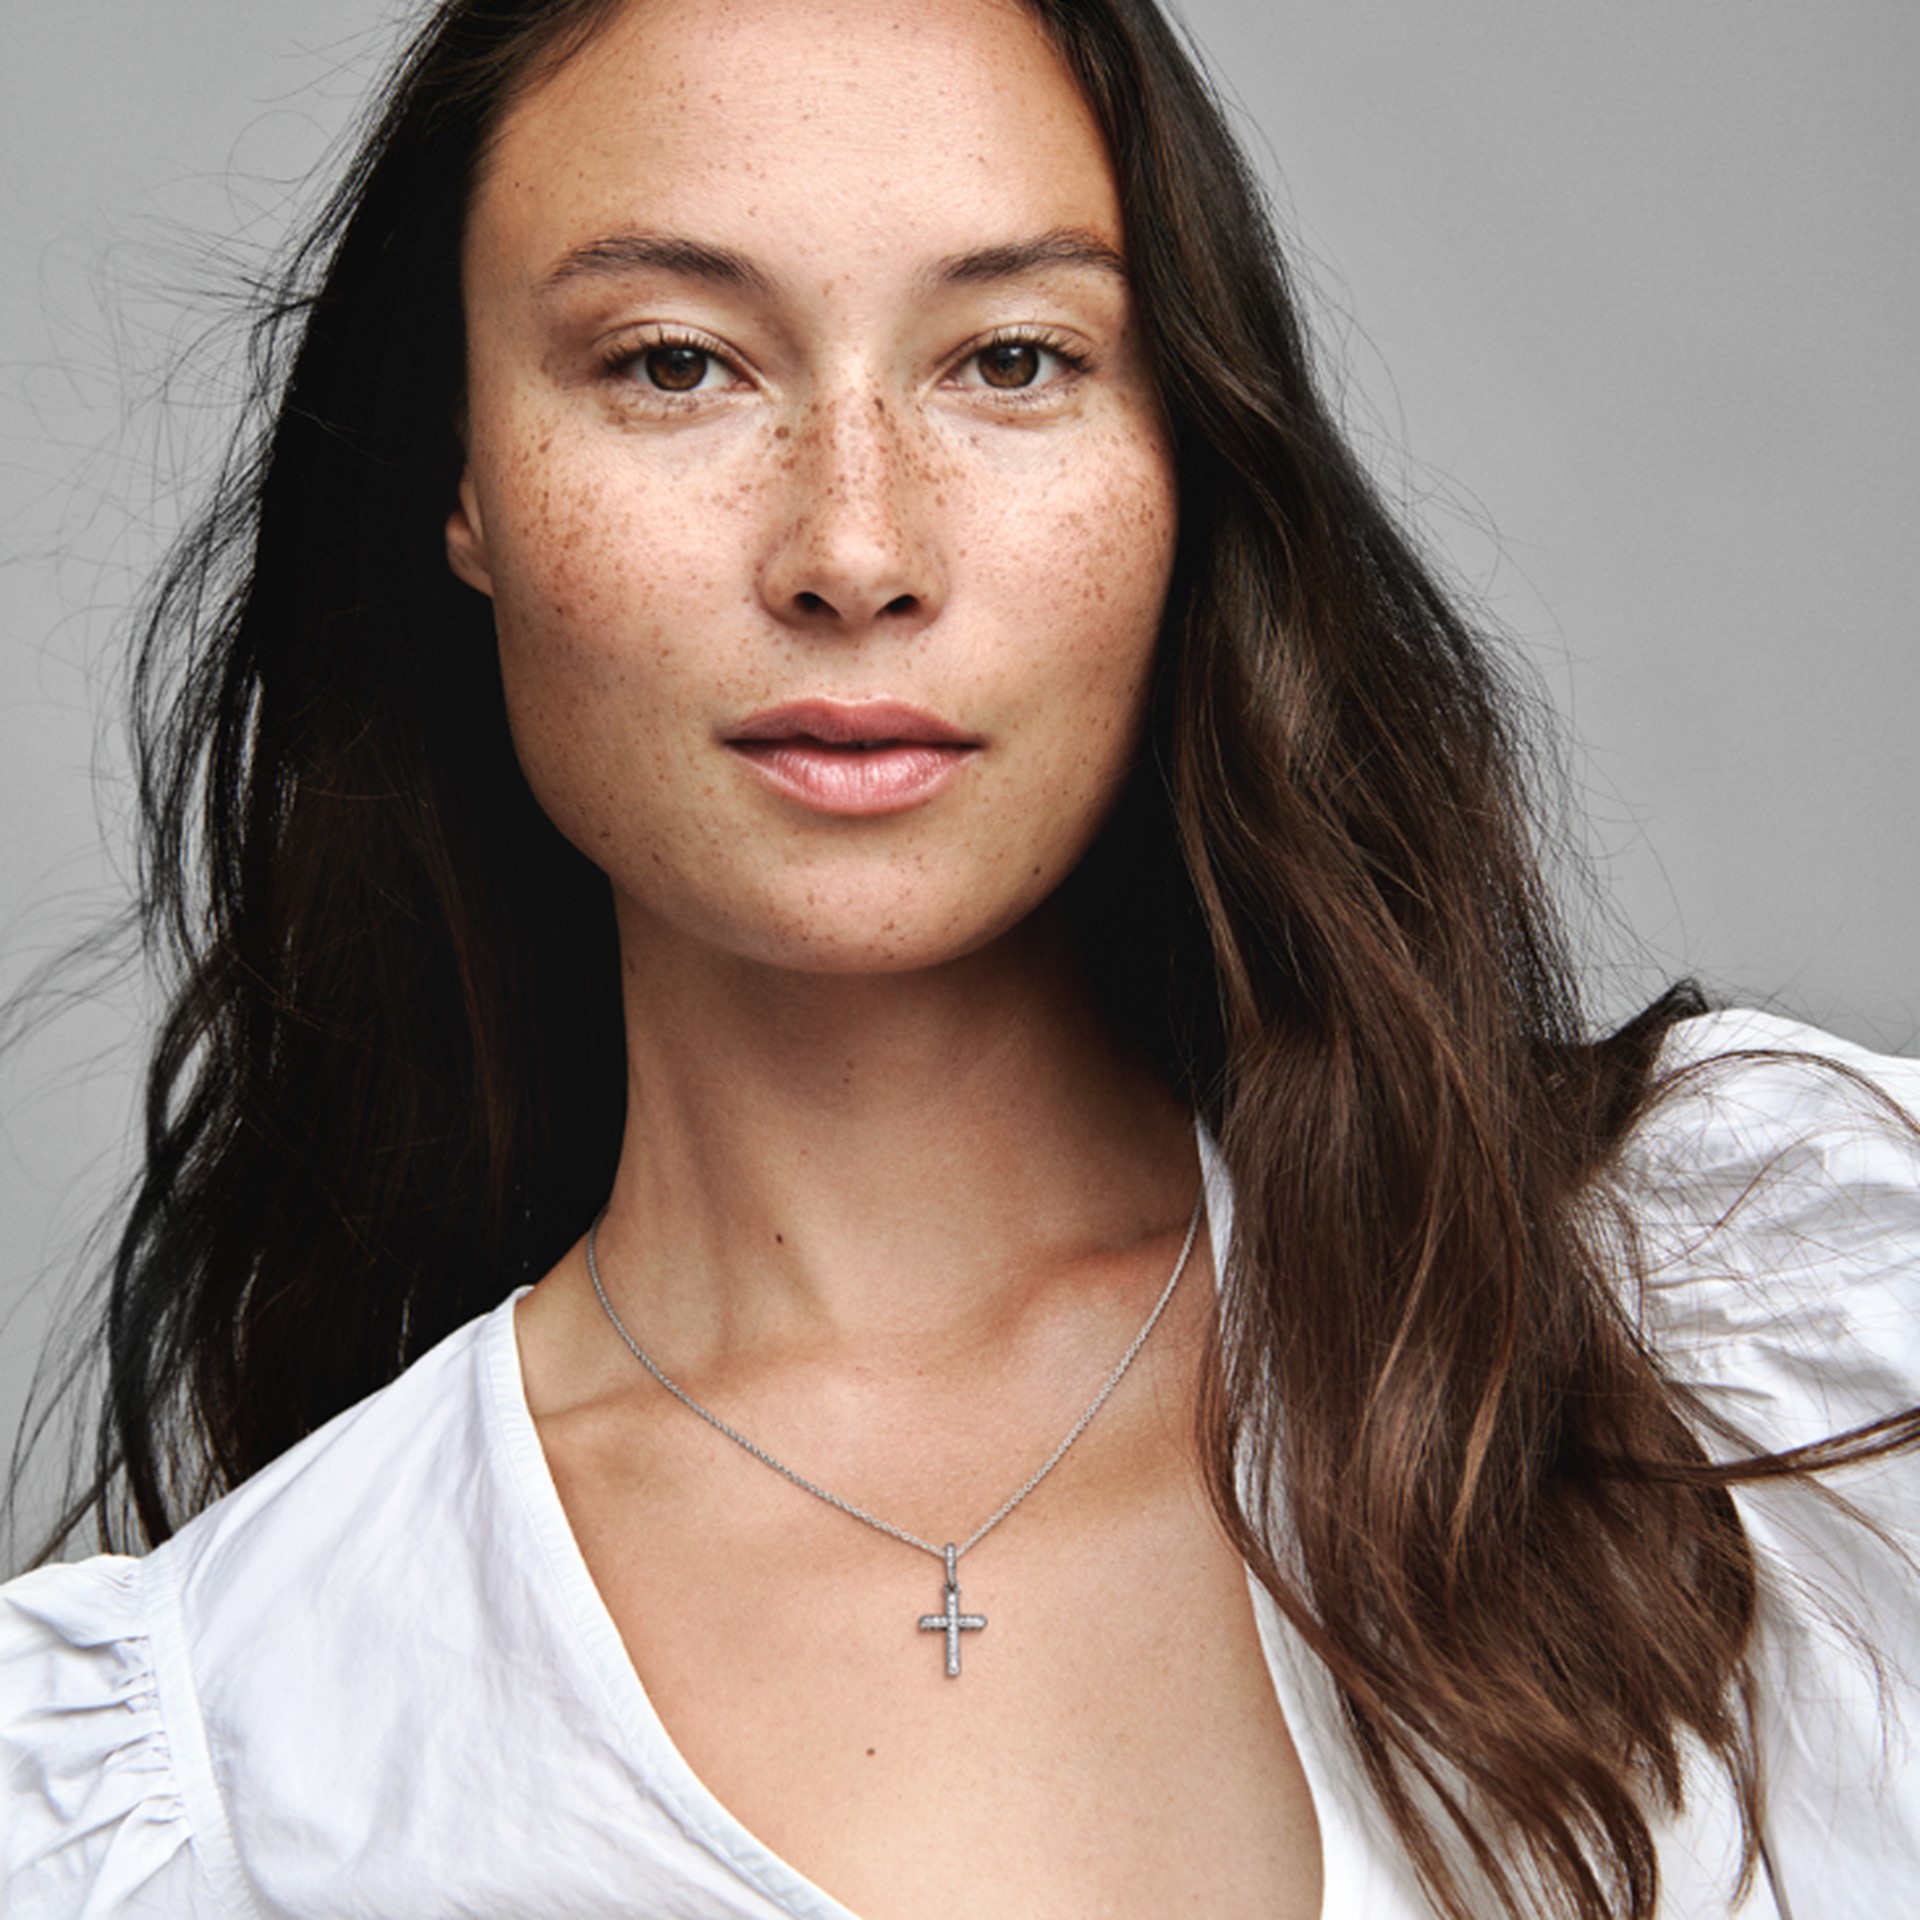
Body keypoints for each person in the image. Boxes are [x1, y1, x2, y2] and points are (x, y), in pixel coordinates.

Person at [2, 0, 1915, 1915]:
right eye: (674, 363)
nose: (855, 548)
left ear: (1184, 456)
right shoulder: (216, 1769)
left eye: (1012, 360)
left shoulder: (1767, 1349)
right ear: (466, 478)